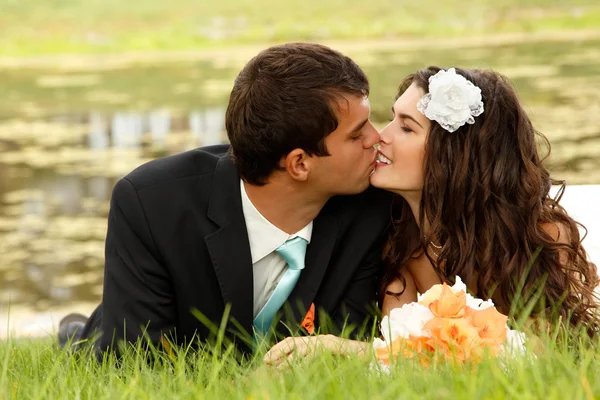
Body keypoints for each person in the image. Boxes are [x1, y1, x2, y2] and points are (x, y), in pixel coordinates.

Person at [59, 43, 393, 357]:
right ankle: (72, 332)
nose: (377, 138)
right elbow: (134, 361)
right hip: (137, 318)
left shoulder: (368, 207)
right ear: (299, 163)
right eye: (356, 134)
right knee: (85, 342)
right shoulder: (150, 203)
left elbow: (348, 340)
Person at [264, 66, 600, 365]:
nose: (381, 135)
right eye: (393, 118)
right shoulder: (395, 240)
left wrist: (339, 348)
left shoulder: (540, 235)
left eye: (406, 128)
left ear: (455, 156)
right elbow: (398, 355)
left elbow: (540, 352)